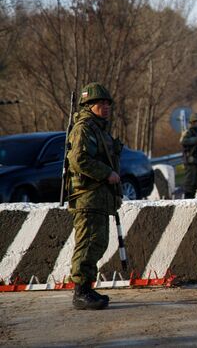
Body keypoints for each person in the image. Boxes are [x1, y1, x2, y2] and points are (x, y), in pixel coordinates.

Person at [66, 82, 123, 310]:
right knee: (88, 243)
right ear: (88, 105)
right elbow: (77, 159)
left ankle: (87, 287)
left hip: (98, 197)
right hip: (87, 197)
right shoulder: (84, 128)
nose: (106, 106)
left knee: (97, 243)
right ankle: (80, 292)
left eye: (108, 102)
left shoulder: (99, 129)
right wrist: (106, 173)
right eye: (101, 102)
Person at [180, 112, 197, 199]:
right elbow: (183, 141)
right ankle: (187, 201)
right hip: (190, 162)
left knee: (195, 184)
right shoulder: (189, 132)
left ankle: (191, 200)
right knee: (189, 184)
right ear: (193, 122)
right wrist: (195, 140)